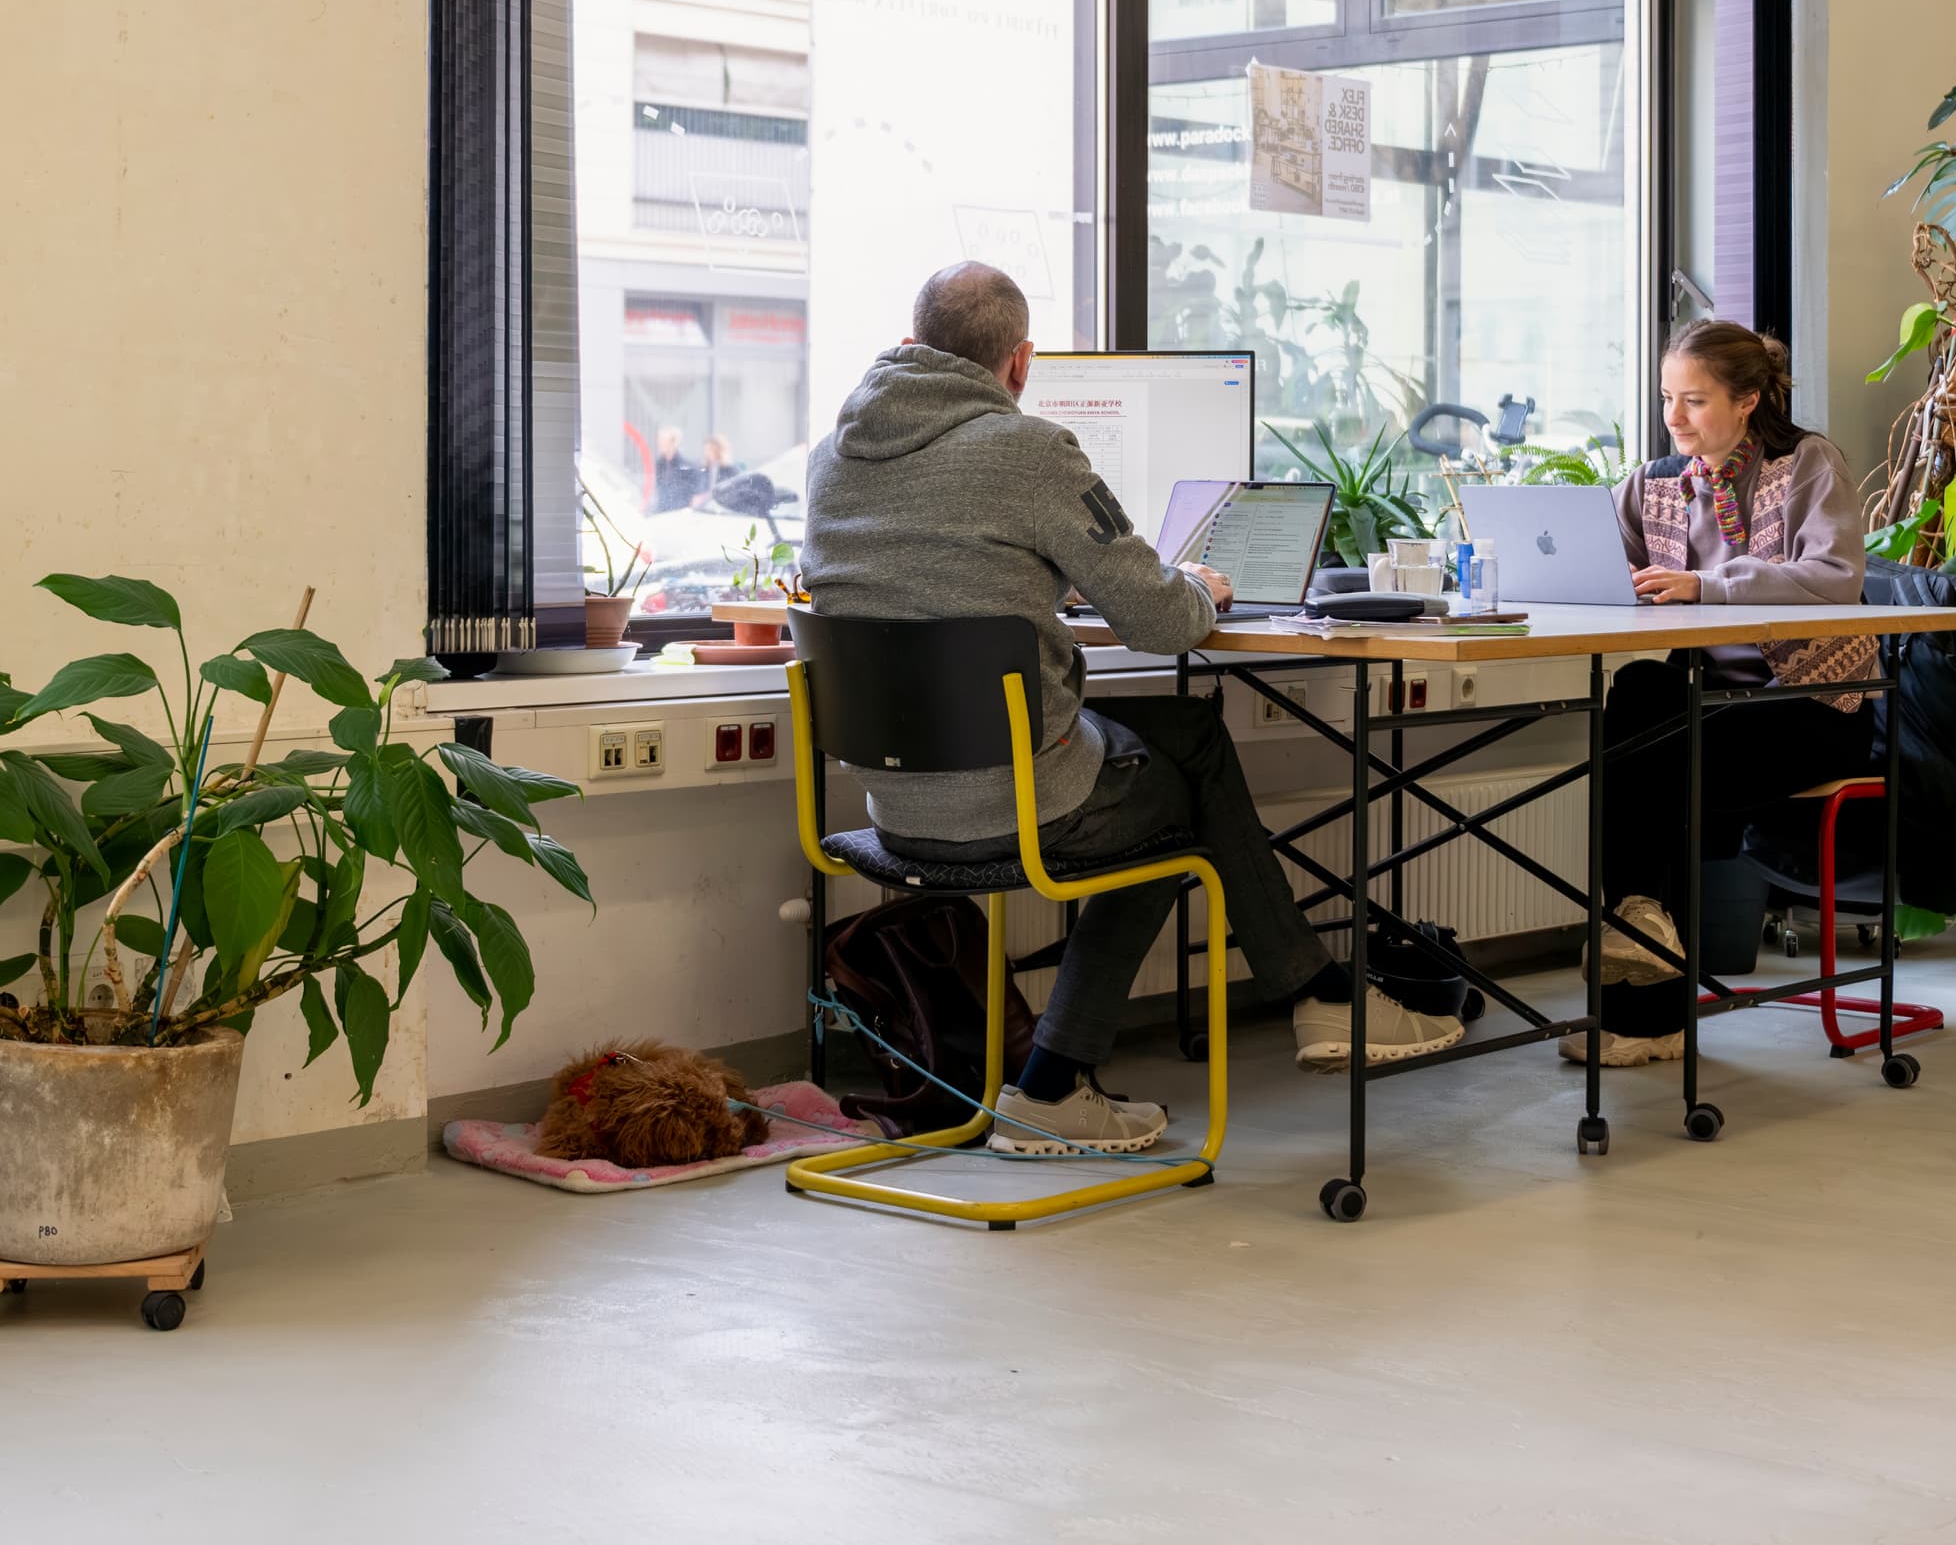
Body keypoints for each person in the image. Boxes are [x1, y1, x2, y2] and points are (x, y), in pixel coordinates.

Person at [801, 261, 1462, 1152]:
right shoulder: (1026, 449)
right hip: (1015, 806)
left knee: (1180, 739)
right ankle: (1083, 1075)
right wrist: (1194, 585)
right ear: (1021, 364)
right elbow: (1158, 622)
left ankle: (1314, 999)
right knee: (1180, 787)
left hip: (892, 810)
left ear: (913, 347)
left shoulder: (829, 460)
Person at [1580, 320, 1871, 1065]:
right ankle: (1641, 927)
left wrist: (1707, 584)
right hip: (1715, 706)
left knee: (1649, 764)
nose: (1673, 418)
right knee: (1642, 691)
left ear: (1746, 401)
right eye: (1666, 399)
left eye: (1694, 401)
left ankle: (1641, 1014)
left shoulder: (1808, 463)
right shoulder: (1656, 483)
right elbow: (1595, 567)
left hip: (1811, 707)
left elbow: (1834, 578)